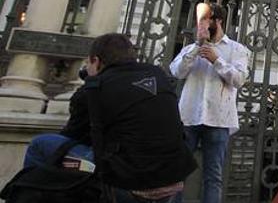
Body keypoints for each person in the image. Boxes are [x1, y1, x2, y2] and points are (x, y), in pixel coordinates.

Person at [20, 33, 196, 202]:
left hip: (132, 180)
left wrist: (87, 86)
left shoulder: (94, 88)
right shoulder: (158, 75)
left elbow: (70, 136)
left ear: (96, 61)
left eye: (88, 62)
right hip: (174, 176)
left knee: (41, 145)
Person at [170, 2, 250, 203]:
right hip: (188, 117)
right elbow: (177, 71)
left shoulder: (237, 50)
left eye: (206, 19)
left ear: (218, 21)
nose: (202, 24)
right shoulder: (191, 48)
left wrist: (217, 60)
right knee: (176, 173)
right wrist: (197, 47)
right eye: (200, 20)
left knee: (213, 176)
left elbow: (239, 80)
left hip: (219, 120)